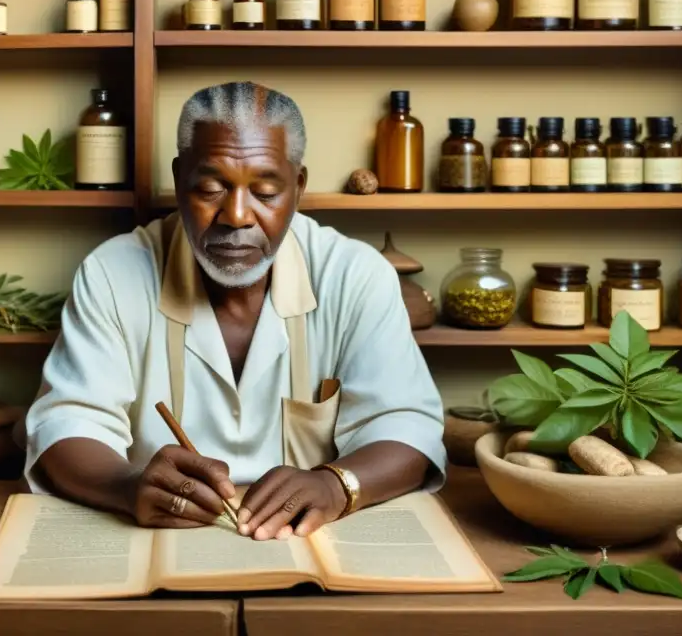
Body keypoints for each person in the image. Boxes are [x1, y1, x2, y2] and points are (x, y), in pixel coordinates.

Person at [26, 81, 445, 541]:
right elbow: (66, 424)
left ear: (298, 186)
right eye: (209, 188)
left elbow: (407, 426)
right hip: (159, 538)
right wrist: (127, 486)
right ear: (180, 178)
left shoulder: (355, 274)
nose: (237, 216)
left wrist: (334, 484)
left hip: (305, 540)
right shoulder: (112, 272)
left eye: (265, 192)